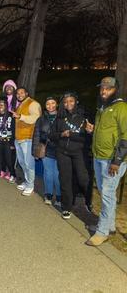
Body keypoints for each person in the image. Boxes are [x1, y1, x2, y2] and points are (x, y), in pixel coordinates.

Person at [85, 77, 127, 246]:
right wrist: (92, 130)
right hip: (99, 156)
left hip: (112, 160)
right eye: (102, 88)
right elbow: (107, 131)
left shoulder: (121, 108)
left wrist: (117, 160)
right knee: (105, 193)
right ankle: (109, 226)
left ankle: (102, 232)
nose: (103, 91)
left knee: (108, 195)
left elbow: (125, 136)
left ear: (115, 89)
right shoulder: (103, 107)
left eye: (108, 89)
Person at [50, 92, 89, 220]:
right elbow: (52, 135)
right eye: (66, 102)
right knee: (65, 180)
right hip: (62, 152)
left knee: (83, 178)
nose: (68, 104)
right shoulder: (60, 117)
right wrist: (62, 135)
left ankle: (86, 200)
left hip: (78, 152)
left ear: (76, 101)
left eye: (71, 101)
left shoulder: (84, 116)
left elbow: (88, 136)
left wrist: (87, 133)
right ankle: (67, 207)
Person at [12, 87, 42, 196]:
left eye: (21, 93)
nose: (19, 95)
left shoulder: (33, 104)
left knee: (29, 164)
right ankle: (27, 181)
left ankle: (30, 185)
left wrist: (21, 116)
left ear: (26, 93)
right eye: (17, 93)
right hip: (19, 139)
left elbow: (36, 118)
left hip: (28, 138)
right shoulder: (21, 105)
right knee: (22, 162)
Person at [32, 97, 61, 206]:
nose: (50, 105)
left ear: (57, 104)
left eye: (53, 103)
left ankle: (59, 197)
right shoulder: (41, 119)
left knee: (58, 174)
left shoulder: (62, 117)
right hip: (46, 148)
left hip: (60, 150)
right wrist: (35, 150)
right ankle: (48, 195)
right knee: (48, 173)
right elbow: (36, 135)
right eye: (48, 103)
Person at [0, 98, 15, 183]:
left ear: (6, 106)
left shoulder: (11, 116)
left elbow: (14, 130)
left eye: (3, 104)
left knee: (9, 159)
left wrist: (12, 143)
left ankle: (12, 174)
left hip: (8, 142)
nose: (1, 105)